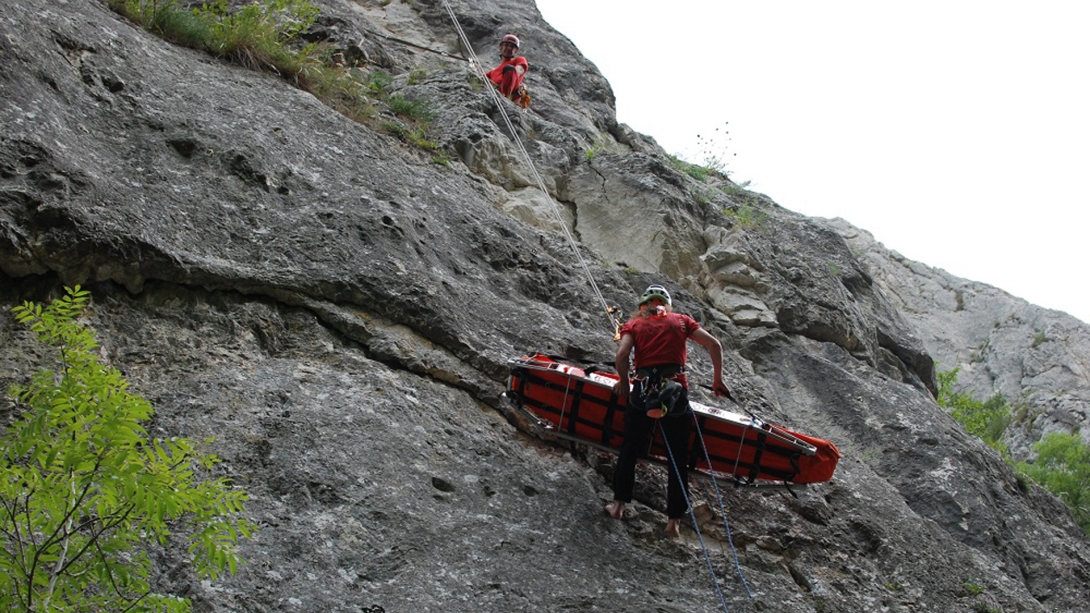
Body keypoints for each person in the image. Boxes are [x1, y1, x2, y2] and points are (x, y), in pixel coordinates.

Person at [605, 284, 731, 537]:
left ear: (643, 307)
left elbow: (622, 356)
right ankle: (673, 522)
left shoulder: (634, 326)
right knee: (677, 456)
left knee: (630, 447)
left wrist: (622, 380)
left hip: (642, 391)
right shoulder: (681, 321)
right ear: (667, 305)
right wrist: (717, 380)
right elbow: (714, 345)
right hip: (675, 393)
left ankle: (618, 506)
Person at [485, 34, 529, 102]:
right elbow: (480, 78)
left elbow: (518, 71)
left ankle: (504, 96)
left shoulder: (519, 60)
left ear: (516, 50)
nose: (509, 48)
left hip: (509, 92)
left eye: (512, 46)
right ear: (500, 47)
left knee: (510, 69)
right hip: (497, 90)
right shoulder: (493, 72)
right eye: (506, 45)